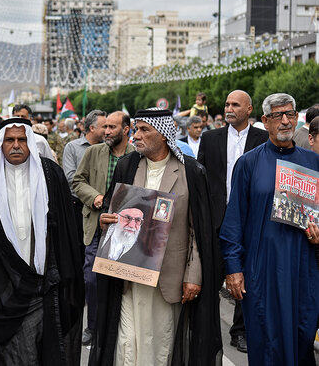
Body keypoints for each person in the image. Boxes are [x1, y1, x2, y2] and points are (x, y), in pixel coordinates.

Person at [90, 108, 221, 366]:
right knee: (127, 343)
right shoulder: (127, 166)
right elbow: (111, 212)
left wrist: (193, 277)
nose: (135, 136)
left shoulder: (190, 172)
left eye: (143, 130)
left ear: (163, 134)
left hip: (168, 279)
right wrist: (106, 221)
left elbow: (199, 231)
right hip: (127, 276)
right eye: (135, 129)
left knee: (160, 345)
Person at [0, 118, 84, 365]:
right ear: (0, 143)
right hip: (0, 286)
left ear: (31, 142)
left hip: (45, 283)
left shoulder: (51, 174)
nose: (16, 145)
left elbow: (66, 229)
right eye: (10, 140)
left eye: (22, 140)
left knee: (46, 350)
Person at [220, 93, 319, 365]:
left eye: (290, 114)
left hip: (302, 267)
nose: (285, 121)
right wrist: (233, 268)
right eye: (278, 115)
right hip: (261, 269)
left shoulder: (312, 163)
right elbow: (234, 221)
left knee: (302, 336)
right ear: (265, 121)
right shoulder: (249, 163)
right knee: (266, 340)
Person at [197, 89, 269, 353]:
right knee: (211, 278)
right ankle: (207, 332)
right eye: (227, 104)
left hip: (250, 221)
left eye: (235, 105)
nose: (229, 108)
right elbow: (201, 178)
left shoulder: (263, 138)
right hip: (217, 220)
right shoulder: (210, 138)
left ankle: (240, 331)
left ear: (249, 110)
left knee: (244, 279)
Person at [72, 111, 134, 345]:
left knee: (123, 278)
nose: (106, 131)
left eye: (112, 127)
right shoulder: (93, 152)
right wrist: (96, 197)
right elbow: (78, 181)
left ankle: (118, 326)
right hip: (97, 224)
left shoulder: (136, 155)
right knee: (92, 277)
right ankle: (94, 326)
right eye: (104, 127)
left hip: (127, 226)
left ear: (126, 129)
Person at [63, 109, 106, 254]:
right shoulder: (72, 147)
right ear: (92, 128)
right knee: (79, 247)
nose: (107, 130)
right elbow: (70, 178)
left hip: (102, 207)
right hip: (78, 206)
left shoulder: (109, 149)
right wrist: (93, 195)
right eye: (104, 126)